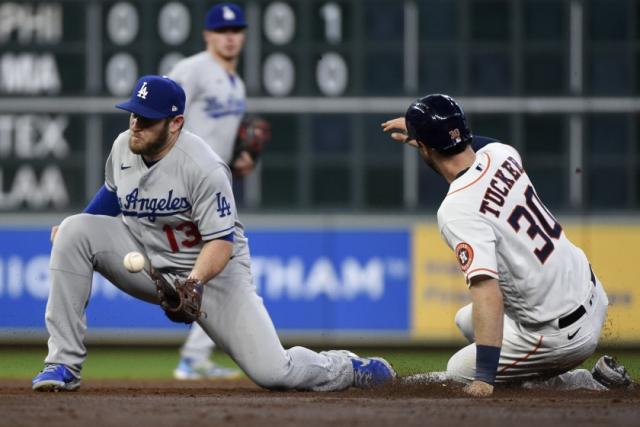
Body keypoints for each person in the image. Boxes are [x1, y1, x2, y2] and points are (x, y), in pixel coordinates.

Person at [31, 75, 396, 392]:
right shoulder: (123, 146)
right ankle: (62, 364)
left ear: (175, 123)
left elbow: (222, 241)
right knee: (74, 230)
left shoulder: (203, 167)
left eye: (147, 120)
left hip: (212, 274)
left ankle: (345, 367)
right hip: (147, 262)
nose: (136, 125)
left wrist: (193, 283)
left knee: (274, 372)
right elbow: (111, 194)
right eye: (133, 114)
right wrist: (76, 226)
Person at [382, 94, 634, 396]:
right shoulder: (502, 154)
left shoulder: (456, 209)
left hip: (557, 336)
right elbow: (473, 147)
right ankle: (576, 373)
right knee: (466, 320)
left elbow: (487, 291)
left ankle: (590, 383)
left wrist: (485, 378)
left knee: (457, 371)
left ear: (424, 148)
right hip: (592, 293)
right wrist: (427, 138)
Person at [167, 2, 256, 380]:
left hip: (214, 183)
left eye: (235, 31)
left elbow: (220, 138)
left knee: (219, 268)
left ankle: (195, 356)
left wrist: (240, 157)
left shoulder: (237, 84)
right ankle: (196, 356)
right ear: (207, 35)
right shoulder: (192, 69)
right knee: (225, 264)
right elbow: (160, 112)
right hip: (181, 178)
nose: (230, 37)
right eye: (222, 31)